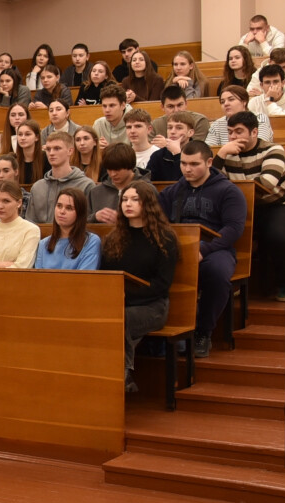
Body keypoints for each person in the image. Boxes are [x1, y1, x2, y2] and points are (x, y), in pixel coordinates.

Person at [159, 141, 248, 357]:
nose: (187, 169)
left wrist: (204, 250)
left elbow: (233, 229)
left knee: (218, 273)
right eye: (183, 163)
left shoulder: (228, 191)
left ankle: (203, 331)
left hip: (215, 249)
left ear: (209, 162)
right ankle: (164, 331)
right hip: (179, 246)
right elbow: (158, 220)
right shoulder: (173, 191)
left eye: (194, 164)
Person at [101, 181, 180, 393]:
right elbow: (104, 276)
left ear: (148, 204)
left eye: (135, 200)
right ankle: (114, 377)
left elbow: (162, 284)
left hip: (153, 306)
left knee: (120, 320)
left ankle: (121, 375)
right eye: (125, 200)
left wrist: (126, 297)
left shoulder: (165, 238)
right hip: (118, 303)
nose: (128, 204)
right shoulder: (113, 238)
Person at [212, 110, 285, 301]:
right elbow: (212, 184)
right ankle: (234, 282)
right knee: (221, 232)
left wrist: (231, 194)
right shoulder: (228, 153)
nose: (233, 137)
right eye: (230, 132)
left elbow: (266, 185)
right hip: (242, 206)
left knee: (278, 236)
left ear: (254, 132)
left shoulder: (273, 150)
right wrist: (220, 155)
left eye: (239, 131)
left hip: (275, 205)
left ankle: (284, 283)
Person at [26, 131, 96, 223]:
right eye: (48, 149)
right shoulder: (37, 187)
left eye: (57, 148)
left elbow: (88, 221)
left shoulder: (86, 185)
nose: (51, 153)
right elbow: (30, 221)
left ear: (70, 151)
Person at [88, 142, 157, 224]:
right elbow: (82, 222)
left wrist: (123, 222)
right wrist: (95, 217)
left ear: (130, 166)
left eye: (118, 169)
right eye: (109, 169)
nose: (113, 174)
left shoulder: (148, 190)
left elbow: (156, 222)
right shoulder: (95, 192)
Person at [35, 189, 100, 270]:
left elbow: (85, 278)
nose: (62, 211)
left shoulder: (91, 241)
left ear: (80, 212)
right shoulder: (43, 244)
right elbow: (38, 278)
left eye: (69, 208)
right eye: (59, 206)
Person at [206, 85, 274, 145]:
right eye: (222, 102)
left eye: (231, 99)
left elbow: (260, 144)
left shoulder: (259, 119)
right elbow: (209, 149)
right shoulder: (217, 125)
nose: (226, 104)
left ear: (244, 102)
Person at [147, 111, 199, 182]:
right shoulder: (157, 156)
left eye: (179, 128)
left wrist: (177, 154)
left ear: (190, 133)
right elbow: (147, 182)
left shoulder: (199, 153)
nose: (172, 131)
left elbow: (189, 183)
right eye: (170, 128)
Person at [14, 120, 46, 185]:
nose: (22, 138)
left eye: (27, 134)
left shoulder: (46, 158)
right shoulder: (13, 159)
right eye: (20, 134)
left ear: (37, 137)